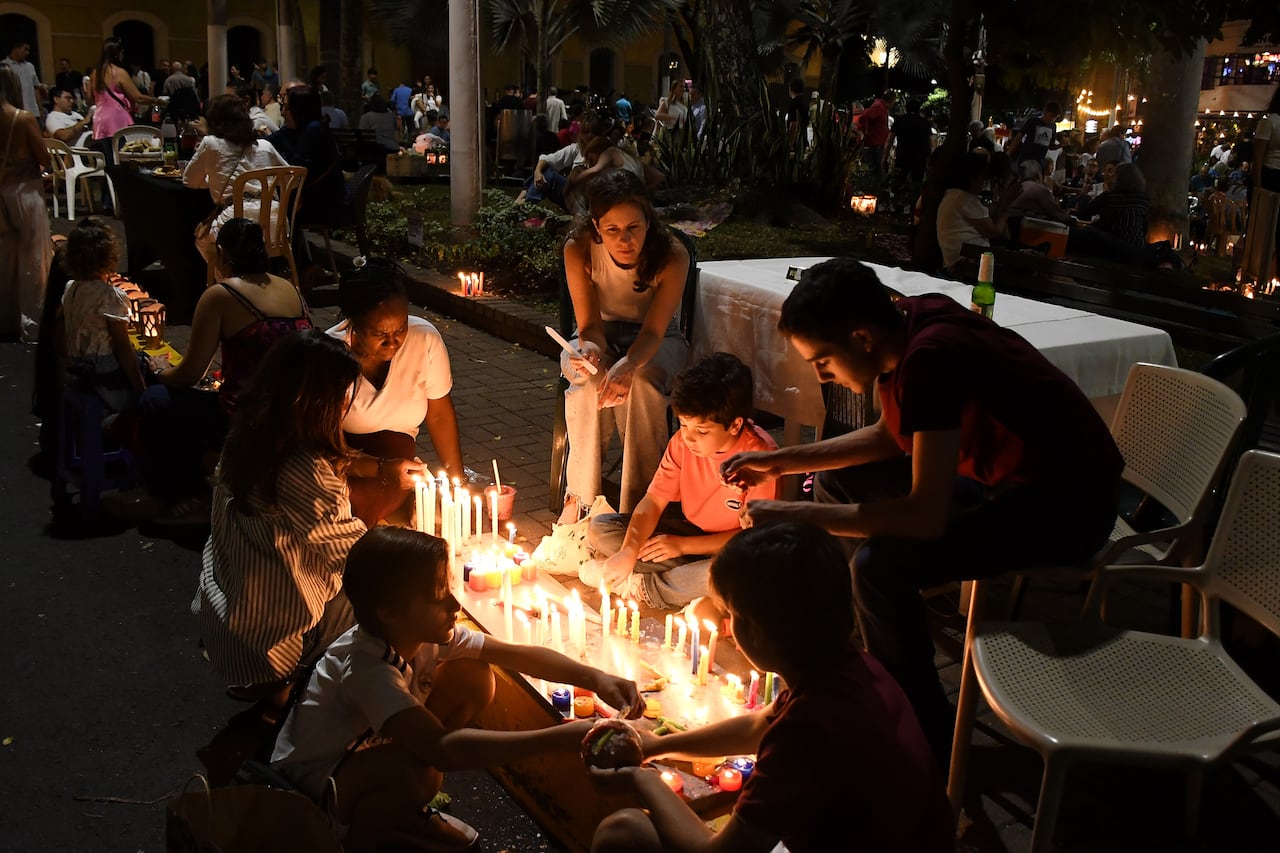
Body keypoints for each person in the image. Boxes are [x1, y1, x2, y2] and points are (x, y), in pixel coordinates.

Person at [719, 259, 1124, 766]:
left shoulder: (931, 358)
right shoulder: (907, 323)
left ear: (861, 337)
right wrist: (778, 459)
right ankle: (847, 645)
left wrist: (794, 514)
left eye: (822, 360)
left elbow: (923, 517)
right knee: (836, 480)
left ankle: (918, 736)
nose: (821, 374)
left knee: (880, 569)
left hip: (1065, 506)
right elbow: (897, 434)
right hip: (1009, 482)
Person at [271, 525, 643, 852]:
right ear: (390, 611)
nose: (453, 603)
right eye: (438, 595)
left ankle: (395, 809)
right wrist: (557, 738)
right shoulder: (367, 670)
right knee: (423, 774)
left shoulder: (419, 635)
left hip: (363, 753)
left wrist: (597, 678)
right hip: (313, 788)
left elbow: (515, 655)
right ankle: (357, 838)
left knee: (475, 675)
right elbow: (444, 751)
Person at [588, 523, 954, 853]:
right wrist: (659, 745)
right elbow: (757, 726)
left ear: (754, 633)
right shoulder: (850, 667)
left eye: (728, 615)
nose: (726, 624)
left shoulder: (804, 735)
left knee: (624, 833)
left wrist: (640, 778)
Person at [193, 331, 379, 711]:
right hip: (270, 641)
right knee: (380, 599)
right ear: (316, 401)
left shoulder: (250, 437)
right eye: (343, 394)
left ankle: (284, 682)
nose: (349, 402)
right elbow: (357, 559)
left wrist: (379, 468)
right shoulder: (304, 469)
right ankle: (302, 685)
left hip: (226, 617)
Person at [132, 218, 313, 521]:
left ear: (223, 255)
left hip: (246, 416)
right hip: (296, 411)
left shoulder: (222, 295)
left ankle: (176, 495)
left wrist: (156, 373)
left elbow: (190, 374)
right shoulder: (292, 291)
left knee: (155, 401)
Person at [585, 352, 779, 615]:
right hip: (691, 533)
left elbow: (754, 538)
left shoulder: (760, 458)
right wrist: (629, 551)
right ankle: (648, 574)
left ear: (734, 425)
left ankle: (646, 587)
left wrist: (680, 545)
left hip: (735, 549)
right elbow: (653, 501)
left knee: (732, 573)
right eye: (683, 424)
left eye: (701, 431)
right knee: (601, 528)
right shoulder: (681, 443)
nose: (688, 438)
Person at [558, 169, 691, 520]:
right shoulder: (579, 249)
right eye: (612, 230)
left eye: (634, 228)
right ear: (597, 226)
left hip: (657, 338)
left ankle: (641, 506)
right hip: (598, 333)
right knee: (586, 380)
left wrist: (628, 366)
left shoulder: (672, 256)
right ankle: (581, 503)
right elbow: (588, 326)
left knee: (644, 385)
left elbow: (653, 333)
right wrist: (591, 352)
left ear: (649, 221)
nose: (625, 240)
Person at [326, 257, 465, 527]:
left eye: (400, 329)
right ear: (353, 323)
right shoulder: (330, 355)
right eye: (379, 333)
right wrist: (379, 467)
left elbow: (439, 416)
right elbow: (322, 449)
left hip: (397, 469)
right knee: (347, 506)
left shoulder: (425, 339)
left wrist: (455, 486)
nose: (393, 342)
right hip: (342, 466)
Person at [182, 93, 289, 268]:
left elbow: (189, 180)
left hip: (235, 224)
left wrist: (213, 180)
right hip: (275, 224)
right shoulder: (265, 146)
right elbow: (291, 179)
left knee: (202, 241)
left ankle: (228, 283)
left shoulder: (211, 143)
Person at [54, 217, 145, 418]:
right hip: (103, 376)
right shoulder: (110, 295)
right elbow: (122, 346)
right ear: (108, 256)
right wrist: (140, 387)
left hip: (78, 367)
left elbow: (59, 332)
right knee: (147, 366)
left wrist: (70, 360)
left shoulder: (71, 289)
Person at [0, 65, 52, 343]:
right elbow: (43, 158)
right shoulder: (22, 119)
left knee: (6, 257)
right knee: (34, 257)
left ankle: (5, 319)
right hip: (25, 193)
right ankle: (32, 324)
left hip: (2, 191)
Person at [935, 150, 1021, 272]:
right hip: (967, 261)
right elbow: (994, 231)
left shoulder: (955, 196)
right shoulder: (964, 199)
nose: (984, 182)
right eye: (982, 177)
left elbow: (993, 223)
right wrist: (1007, 203)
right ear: (972, 178)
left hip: (965, 259)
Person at [86, 39, 157, 160]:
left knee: (107, 158)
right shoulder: (119, 72)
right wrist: (157, 101)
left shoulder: (95, 73)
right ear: (117, 53)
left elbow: (89, 99)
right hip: (117, 118)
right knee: (123, 156)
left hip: (100, 120)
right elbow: (138, 97)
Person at [1069, 161, 1151, 265]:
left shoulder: (1109, 198)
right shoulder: (1143, 199)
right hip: (1136, 250)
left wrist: (1084, 194)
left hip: (1112, 249)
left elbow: (1083, 212)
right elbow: (1144, 228)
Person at [1251, 84, 1280, 280]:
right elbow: (1258, 155)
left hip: (1273, 175)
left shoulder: (1271, 121)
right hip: (1269, 175)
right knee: (1266, 224)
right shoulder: (1271, 121)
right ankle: (1260, 268)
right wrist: (1258, 185)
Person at [1007, 158, 1071, 225]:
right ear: (1038, 175)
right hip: (1029, 228)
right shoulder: (1039, 189)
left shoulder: (1015, 187)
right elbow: (1057, 213)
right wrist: (1072, 221)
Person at [1007, 101, 1061, 167]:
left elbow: (1051, 146)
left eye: (1055, 117)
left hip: (1040, 161)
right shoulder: (1033, 122)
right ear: (1045, 112)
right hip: (1026, 158)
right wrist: (1010, 151)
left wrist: (1061, 145)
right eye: (1051, 116)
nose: (1053, 119)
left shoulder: (1053, 126)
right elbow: (1019, 136)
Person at [1, 42, 45, 116]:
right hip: (14, 113)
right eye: (25, 49)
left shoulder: (30, 66)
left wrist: (40, 109)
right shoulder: (4, 66)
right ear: (16, 49)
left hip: (33, 111)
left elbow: (35, 89)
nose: (27, 53)